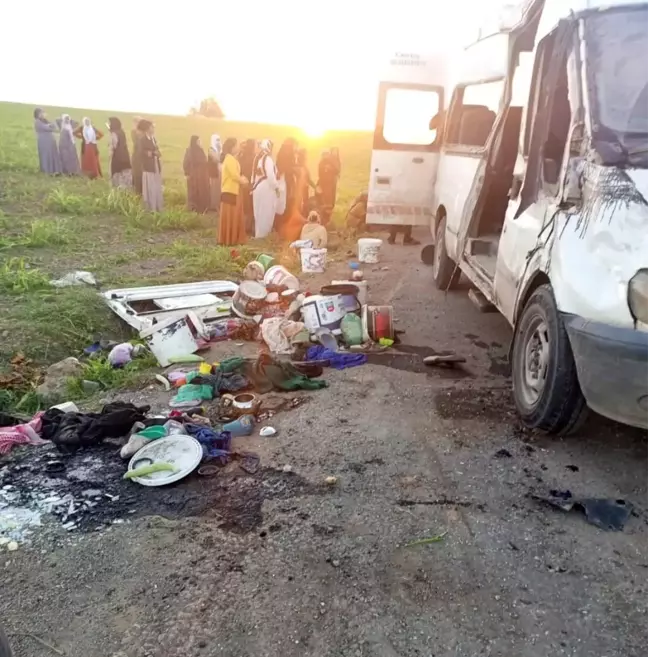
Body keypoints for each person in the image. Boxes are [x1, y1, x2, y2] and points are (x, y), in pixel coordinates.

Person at [218, 138, 248, 245]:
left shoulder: (232, 158)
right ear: (231, 147)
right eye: (236, 146)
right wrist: (243, 180)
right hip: (230, 191)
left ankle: (231, 238)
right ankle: (230, 239)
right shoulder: (229, 158)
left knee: (233, 216)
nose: (237, 147)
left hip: (233, 190)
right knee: (231, 216)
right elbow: (234, 175)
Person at [251, 139, 278, 238]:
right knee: (266, 212)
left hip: (257, 187)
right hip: (266, 188)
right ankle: (264, 236)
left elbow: (253, 175)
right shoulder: (268, 159)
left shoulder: (257, 158)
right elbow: (270, 176)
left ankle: (259, 235)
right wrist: (276, 187)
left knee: (258, 213)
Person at [274, 138, 298, 232]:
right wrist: (295, 169)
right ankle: (281, 225)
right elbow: (286, 168)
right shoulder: (286, 154)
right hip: (285, 181)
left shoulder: (283, 153)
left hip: (286, 180)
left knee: (285, 202)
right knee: (285, 202)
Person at [138, 119, 163, 212]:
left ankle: (157, 205)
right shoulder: (143, 139)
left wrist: (158, 153)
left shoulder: (153, 138)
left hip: (155, 164)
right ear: (148, 128)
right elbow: (142, 152)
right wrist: (153, 153)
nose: (153, 128)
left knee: (156, 185)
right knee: (150, 186)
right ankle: (150, 207)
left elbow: (157, 150)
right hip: (148, 166)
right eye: (152, 127)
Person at [183, 135, 210, 213]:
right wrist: (186, 173)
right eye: (198, 141)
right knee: (193, 191)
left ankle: (202, 208)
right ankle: (193, 208)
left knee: (202, 191)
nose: (200, 142)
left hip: (202, 175)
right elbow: (186, 162)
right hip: (193, 175)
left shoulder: (201, 150)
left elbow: (205, 161)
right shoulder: (189, 151)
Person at [33, 108, 61, 175]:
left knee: (53, 154)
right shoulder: (37, 122)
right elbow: (46, 128)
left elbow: (54, 128)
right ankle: (47, 171)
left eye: (43, 113)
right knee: (46, 155)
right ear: (37, 114)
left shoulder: (45, 121)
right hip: (43, 140)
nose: (43, 114)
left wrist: (51, 125)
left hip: (50, 140)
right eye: (41, 113)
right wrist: (50, 126)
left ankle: (54, 170)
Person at [317, 148, 341, 224]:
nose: (326, 156)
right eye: (324, 155)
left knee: (330, 201)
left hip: (330, 185)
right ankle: (324, 219)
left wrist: (331, 168)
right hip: (324, 185)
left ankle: (327, 219)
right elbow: (320, 175)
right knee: (325, 202)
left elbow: (337, 170)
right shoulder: (321, 163)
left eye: (327, 155)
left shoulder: (331, 163)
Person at [107, 117, 132, 189]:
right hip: (125, 154)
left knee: (116, 173)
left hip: (117, 156)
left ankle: (119, 189)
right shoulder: (122, 131)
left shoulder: (114, 133)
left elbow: (114, 145)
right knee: (125, 173)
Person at [238, 138, 257, 234]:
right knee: (250, 206)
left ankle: (243, 226)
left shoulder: (242, 156)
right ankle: (248, 227)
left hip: (243, 183)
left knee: (245, 206)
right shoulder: (254, 157)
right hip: (250, 184)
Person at [207, 134, 222, 212]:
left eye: (219, 140)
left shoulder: (219, 149)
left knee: (219, 189)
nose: (218, 142)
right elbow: (217, 159)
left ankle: (218, 204)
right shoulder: (211, 149)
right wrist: (219, 151)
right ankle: (214, 205)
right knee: (214, 189)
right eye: (217, 140)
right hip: (213, 172)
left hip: (219, 172)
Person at [131, 116, 143, 195]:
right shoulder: (134, 132)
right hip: (137, 156)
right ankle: (137, 191)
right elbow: (136, 142)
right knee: (137, 174)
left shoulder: (140, 132)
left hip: (140, 156)